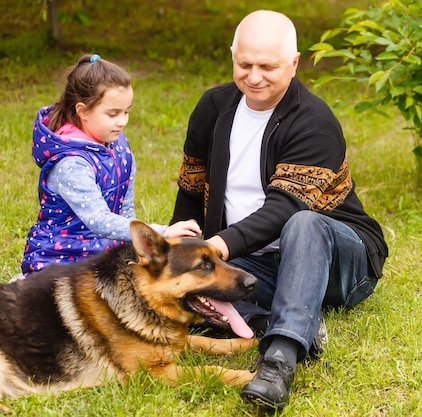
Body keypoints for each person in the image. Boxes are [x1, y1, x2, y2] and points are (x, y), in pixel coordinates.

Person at [170, 10, 388, 409]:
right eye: (244, 64)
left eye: (267, 66)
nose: (254, 76)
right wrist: (181, 245)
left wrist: (215, 247)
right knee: (166, 281)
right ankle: (268, 318)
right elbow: (191, 189)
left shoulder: (314, 122)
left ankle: (279, 360)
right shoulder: (213, 108)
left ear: (294, 63)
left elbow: (283, 210)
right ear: (232, 55)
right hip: (253, 260)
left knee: (303, 223)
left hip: (340, 260)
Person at [20, 53, 201, 278]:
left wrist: (140, 247)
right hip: (60, 264)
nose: (122, 121)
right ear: (82, 110)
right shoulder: (71, 164)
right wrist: (161, 233)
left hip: (101, 257)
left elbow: (125, 211)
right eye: (113, 114)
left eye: (126, 111)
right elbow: (100, 221)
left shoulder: (117, 146)